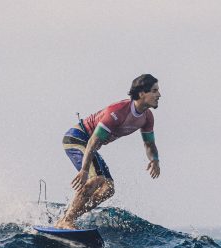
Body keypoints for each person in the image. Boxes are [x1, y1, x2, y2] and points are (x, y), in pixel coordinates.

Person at [55, 74, 162, 229]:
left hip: (89, 144)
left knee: (108, 189)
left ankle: (68, 217)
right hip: (77, 138)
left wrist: (155, 160)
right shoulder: (118, 111)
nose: (159, 95)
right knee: (96, 179)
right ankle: (67, 220)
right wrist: (84, 170)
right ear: (141, 93)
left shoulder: (147, 117)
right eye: (154, 90)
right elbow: (93, 141)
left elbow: (149, 144)